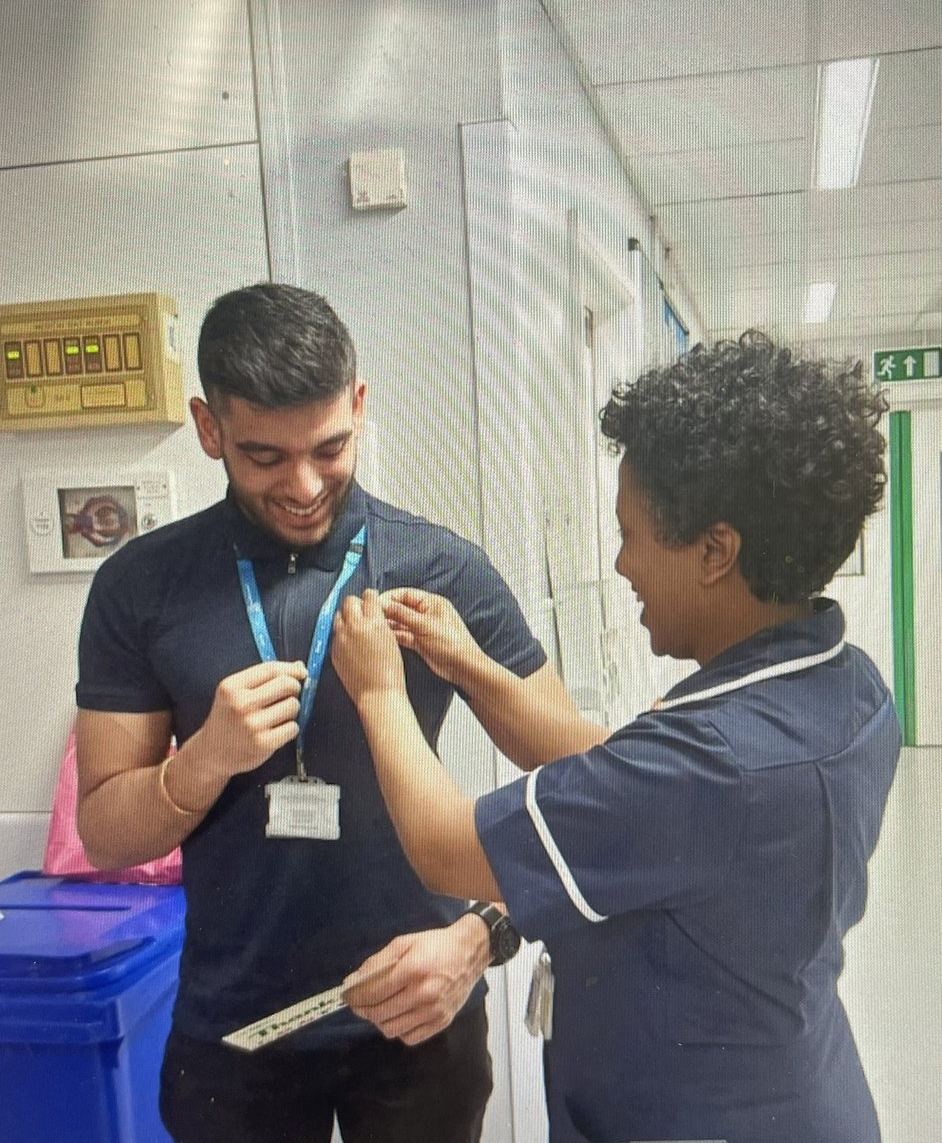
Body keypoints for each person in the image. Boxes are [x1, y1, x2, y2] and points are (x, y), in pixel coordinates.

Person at [330, 332, 902, 1143]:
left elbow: (442, 844)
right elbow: (620, 775)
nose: (622, 564)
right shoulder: (846, 685)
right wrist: (471, 666)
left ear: (715, 551)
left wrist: (381, 691)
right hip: (798, 1088)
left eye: (632, 532)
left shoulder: (706, 766)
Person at [74, 282, 585, 1143]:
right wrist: (201, 761)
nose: (305, 485)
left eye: (331, 447)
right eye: (265, 456)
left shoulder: (440, 567)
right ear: (209, 430)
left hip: (419, 1014)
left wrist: (482, 936)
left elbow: (582, 789)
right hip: (234, 1035)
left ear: (359, 404)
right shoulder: (140, 587)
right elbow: (106, 833)